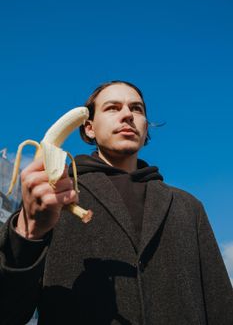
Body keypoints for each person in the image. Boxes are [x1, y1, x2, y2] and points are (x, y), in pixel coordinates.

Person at [0, 80, 232, 325]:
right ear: (89, 127)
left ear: (145, 127)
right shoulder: (55, 196)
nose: (127, 115)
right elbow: (8, 312)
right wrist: (29, 232)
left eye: (137, 109)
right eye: (112, 108)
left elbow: (221, 305)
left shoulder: (188, 206)